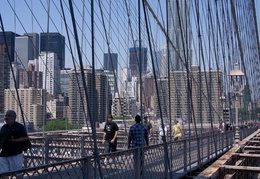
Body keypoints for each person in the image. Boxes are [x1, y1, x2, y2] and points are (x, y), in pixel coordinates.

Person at [0, 110, 29, 178]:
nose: (7, 117)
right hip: (4, 154)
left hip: (15, 154)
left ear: (14, 117)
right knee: (4, 173)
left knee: (17, 173)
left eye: (9, 115)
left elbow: (25, 138)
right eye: (6, 115)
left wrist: (14, 140)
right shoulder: (3, 127)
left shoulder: (19, 126)